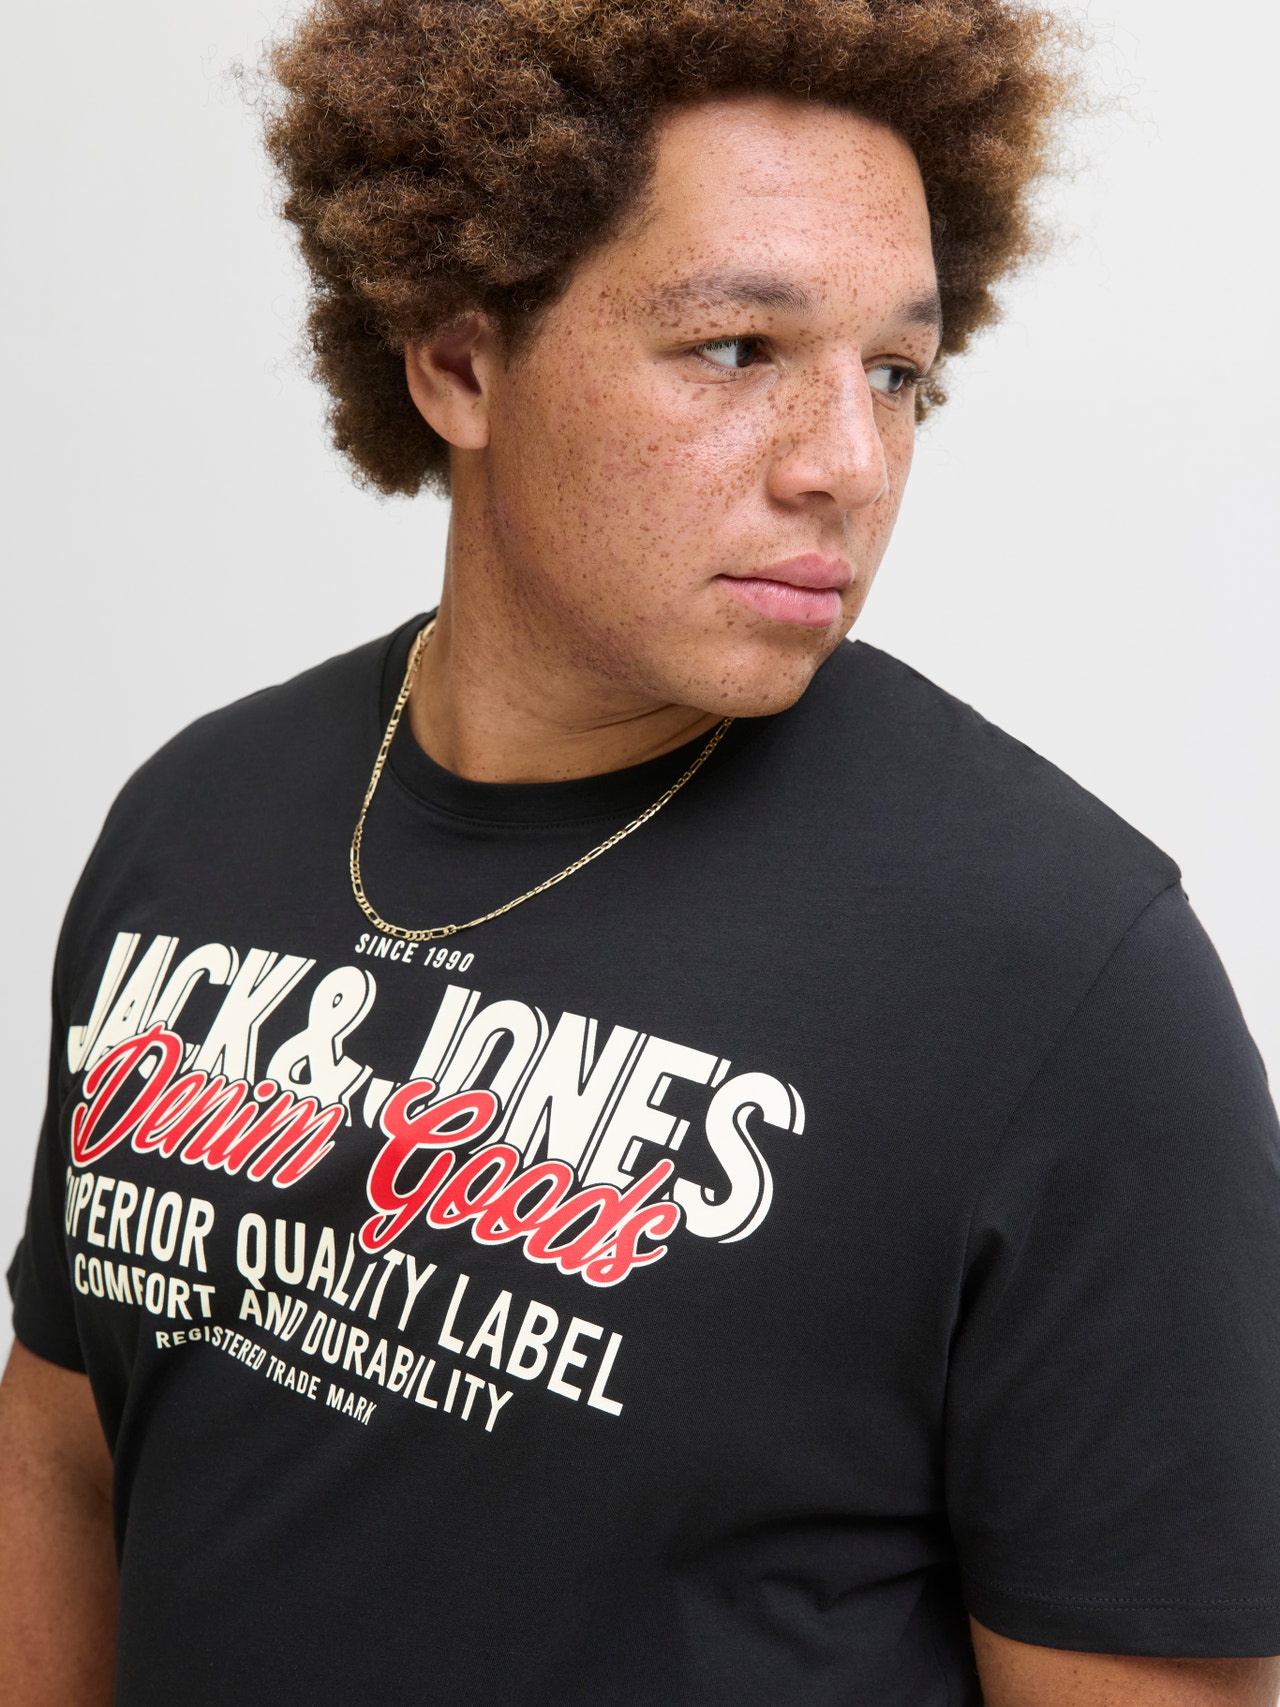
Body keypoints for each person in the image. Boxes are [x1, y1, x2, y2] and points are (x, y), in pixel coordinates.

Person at [3, 0, 1278, 1701]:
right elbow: (66, 1461)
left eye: (897, 374)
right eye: (738, 349)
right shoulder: (196, 820)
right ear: (460, 365)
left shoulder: (1067, 975)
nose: (848, 466)